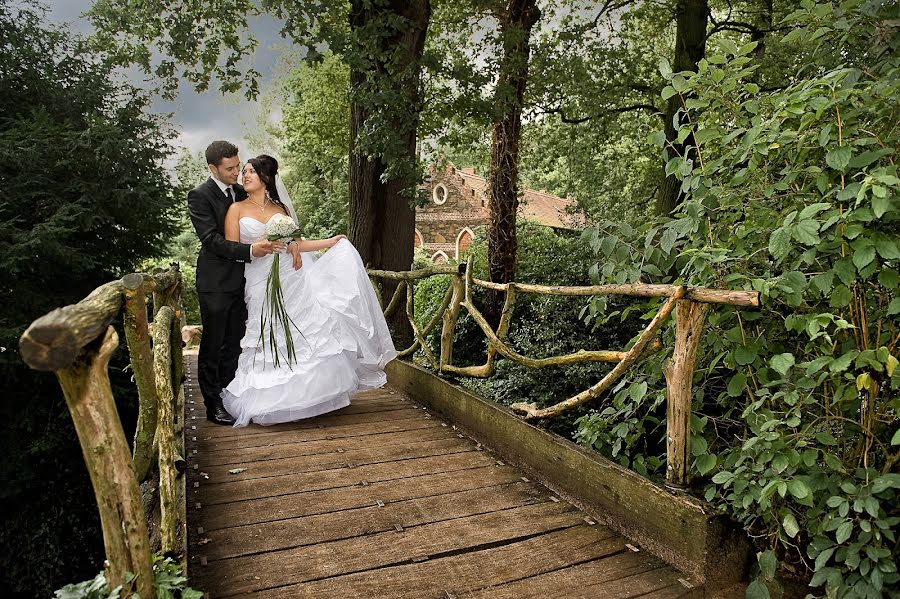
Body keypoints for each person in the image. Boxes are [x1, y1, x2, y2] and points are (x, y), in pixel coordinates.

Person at [221, 155, 397, 426]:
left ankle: (311, 397)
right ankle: (266, 399)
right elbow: (232, 249)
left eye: (250, 172)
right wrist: (261, 247)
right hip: (258, 277)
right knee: (267, 331)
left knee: (305, 330)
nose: (244, 176)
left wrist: (331, 241)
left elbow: (298, 244)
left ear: (265, 177)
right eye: (243, 172)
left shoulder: (281, 209)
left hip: (290, 276)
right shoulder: (236, 210)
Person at [187, 141, 285, 425]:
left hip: (245, 281)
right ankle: (213, 404)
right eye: (229, 169)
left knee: (235, 343)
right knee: (213, 344)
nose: (236, 172)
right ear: (212, 168)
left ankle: (232, 396)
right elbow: (211, 240)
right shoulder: (200, 196)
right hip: (215, 281)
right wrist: (251, 250)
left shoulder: (242, 191)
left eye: (237, 166)